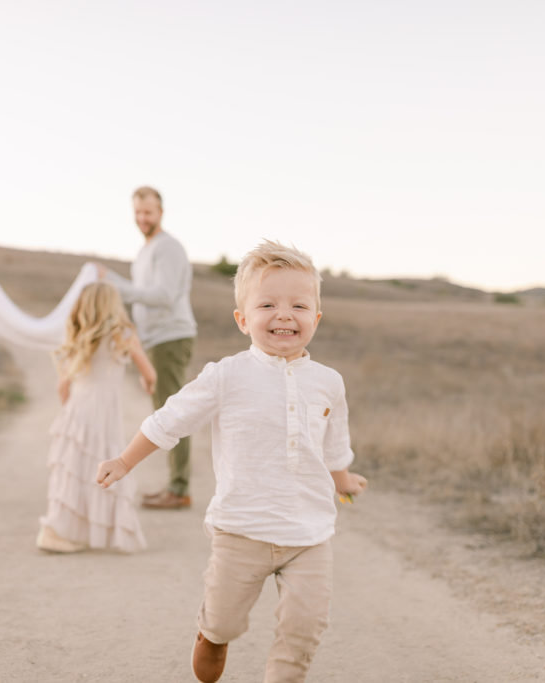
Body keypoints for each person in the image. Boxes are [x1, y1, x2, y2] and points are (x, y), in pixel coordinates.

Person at [96, 240, 368, 682]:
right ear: (243, 319)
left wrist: (343, 479)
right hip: (242, 529)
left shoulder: (328, 383)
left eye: (299, 304)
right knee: (224, 617)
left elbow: (333, 444)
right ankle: (212, 635)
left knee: (305, 628)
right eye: (267, 304)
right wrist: (126, 461)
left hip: (309, 533)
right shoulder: (227, 376)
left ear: (315, 318)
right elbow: (170, 419)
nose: (284, 314)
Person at [36, 282, 157, 554]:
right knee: (103, 467)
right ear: (113, 305)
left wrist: (69, 411)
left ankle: (59, 529)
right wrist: (147, 384)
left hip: (77, 408)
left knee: (72, 469)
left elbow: (62, 386)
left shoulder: (78, 334)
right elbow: (149, 373)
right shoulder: (123, 333)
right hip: (103, 413)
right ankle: (70, 531)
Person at [100, 186, 197, 509]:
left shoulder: (168, 248)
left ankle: (179, 489)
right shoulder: (145, 251)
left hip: (171, 337)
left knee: (173, 415)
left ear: (161, 212)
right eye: (138, 213)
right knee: (164, 413)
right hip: (155, 340)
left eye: (148, 212)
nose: (142, 219)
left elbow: (164, 296)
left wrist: (115, 283)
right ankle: (174, 485)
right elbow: (142, 300)